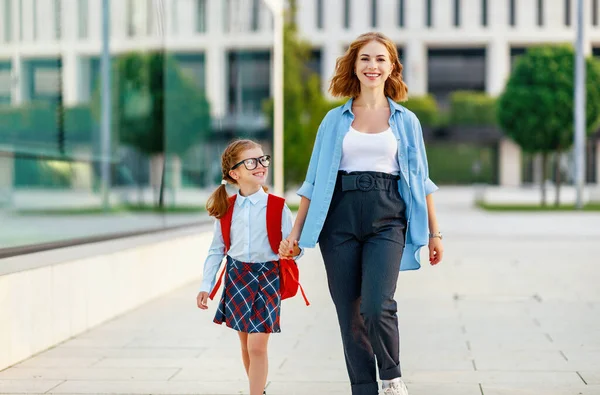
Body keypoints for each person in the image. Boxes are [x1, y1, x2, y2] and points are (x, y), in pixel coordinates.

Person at [280, 32, 444, 395]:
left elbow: (421, 179)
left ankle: (391, 377)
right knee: (349, 314)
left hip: (388, 215)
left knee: (376, 304)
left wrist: (435, 233)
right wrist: (295, 233)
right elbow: (312, 181)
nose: (373, 66)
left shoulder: (406, 120)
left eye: (380, 59)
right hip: (338, 219)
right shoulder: (333, 120)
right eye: (365, 59)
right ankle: (364, 390)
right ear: (354, 65)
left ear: (392, 68)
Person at [197, 139, 301, 395]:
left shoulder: (278, 206)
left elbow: (295, 249)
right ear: (235, 173)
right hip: (237, 277)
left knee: (257, 346)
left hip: (267, 277)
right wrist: (205, 286)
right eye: (251, 162)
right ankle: (260, 390)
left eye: (262, 159)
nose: (260, 165)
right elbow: (216, 250)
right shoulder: (227, 209)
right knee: (245, 345)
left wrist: (292, 251)